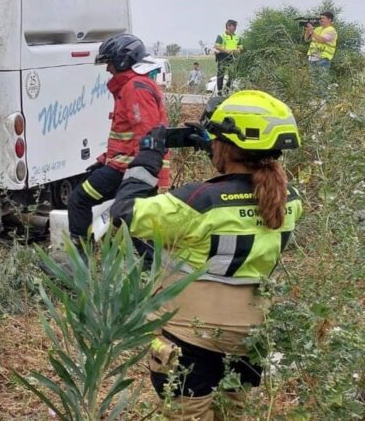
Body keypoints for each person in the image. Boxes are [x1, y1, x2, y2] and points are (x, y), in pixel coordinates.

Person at [111, 91, 302, 419]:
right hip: (252, 338)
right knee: (233, 414)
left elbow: (123, 214)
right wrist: (216, 147)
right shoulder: (291, 200)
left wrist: (148, 158)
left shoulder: (197, 201)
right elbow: (248, 179)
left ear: (227, 145)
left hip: (190, 338)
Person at [67, 34, 171, 245]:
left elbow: (147, 136)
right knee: (129, 217)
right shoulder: (132, 87)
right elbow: (127, 136)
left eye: (110, 63)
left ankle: (78, 261)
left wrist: (129, 169)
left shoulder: (134, 89)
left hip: (130, 169)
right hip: (128, 167)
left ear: (124, 60)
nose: (108, 70)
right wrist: (104, 159)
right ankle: (146, 265)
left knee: (79, 200)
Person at [303, 11, 337, 88]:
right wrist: (308, 31)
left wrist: (312, 31)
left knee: (322, 80)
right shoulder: (318, 29)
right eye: (320, 18)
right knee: (313, 81)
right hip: (312, 58)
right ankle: (315, 98)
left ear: (329, 20)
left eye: (323, 18)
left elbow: (321, 40)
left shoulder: (332, 31)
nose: (320, 20)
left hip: (323, 58)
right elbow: (306, 39)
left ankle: (323, 98)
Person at [212, 19, 241, 94]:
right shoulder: (221, 36)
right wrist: (226, 50)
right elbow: (217, 46)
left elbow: (240, 46)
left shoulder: (237, 37)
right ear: (228, 26)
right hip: (222, 56)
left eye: (235, 26)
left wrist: (238, 50)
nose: (235, 28)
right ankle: (220, 91)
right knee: (221, 73)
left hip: (233, 56)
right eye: (233, 26)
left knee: (232, 73)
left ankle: (227, 89)